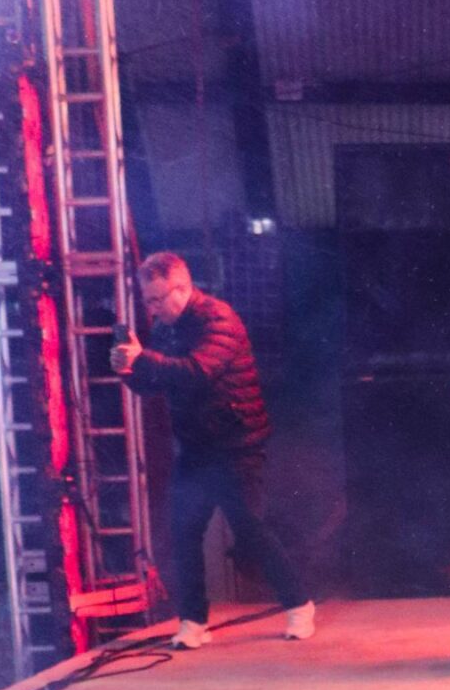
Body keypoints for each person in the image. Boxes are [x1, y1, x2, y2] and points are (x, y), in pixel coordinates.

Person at [112, 252, 312, 648]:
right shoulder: (167, 329)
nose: (151, 309)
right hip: (196, 448)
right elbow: (157, 382)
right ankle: (192, 620)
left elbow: (198, 371)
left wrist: (143, 359)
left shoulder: (219, 319)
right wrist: (129, 370)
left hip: (237, 446)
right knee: (184, 534)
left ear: (182, 289)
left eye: (156, 299)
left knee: (250, 530)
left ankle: (299, 605)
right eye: (147, 300)